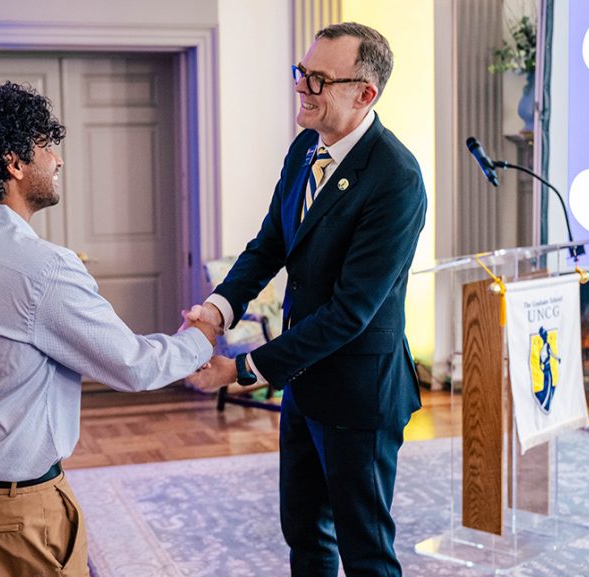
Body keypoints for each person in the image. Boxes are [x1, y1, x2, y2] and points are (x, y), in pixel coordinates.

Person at [0, 82, 218, 577]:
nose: (59, 161)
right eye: (48, 147)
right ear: (15, 162)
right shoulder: (42, 268)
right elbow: (133, 366)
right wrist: (201, 337)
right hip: (6, 513)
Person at [186, 23, 427, 577]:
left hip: (358, 395)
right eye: (302, 72)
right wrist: (217, 310)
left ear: (365, 94)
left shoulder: (396, 178)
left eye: (319, 79)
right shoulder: (303, 149)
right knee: (304, 534)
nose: (303, 87)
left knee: (365, 552)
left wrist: (243, 368)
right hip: (303, 383)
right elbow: (271, 242)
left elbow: (351, 313)